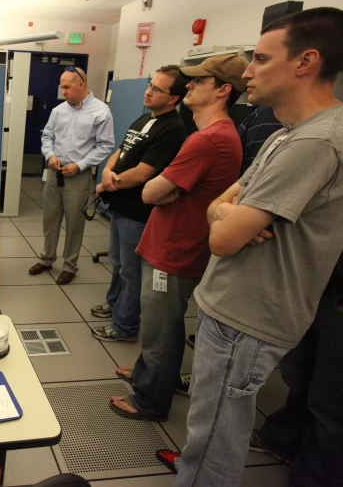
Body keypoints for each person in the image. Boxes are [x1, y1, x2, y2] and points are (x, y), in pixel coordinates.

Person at [173, 7, 343, 486]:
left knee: (211, 445)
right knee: (207, 432)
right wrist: (228, 216)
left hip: (246, 319)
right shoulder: (284, 134)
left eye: (261, 59)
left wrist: (228, 220)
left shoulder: (316, 142)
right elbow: (221, 205)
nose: (247, 71)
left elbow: (223, 239)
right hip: (230, 308)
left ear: (305, 61)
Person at [105, 54, 246, 421]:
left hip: (175, 250)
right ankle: (145, 373)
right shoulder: (213, 135)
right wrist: (171, 189)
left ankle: (151, 400)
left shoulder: (209, 140)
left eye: (199, 81)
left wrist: (168, 189)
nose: (190, 86)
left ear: (223, 90)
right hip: (172, 242)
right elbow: (168, 189)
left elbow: (152, 193)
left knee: (161, 330)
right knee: (156, 325)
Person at [89, 66, 188, 342]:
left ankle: (125, 326)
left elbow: (145, 173)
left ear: (173, 98)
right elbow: (121, 151)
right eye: (150, 84)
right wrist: (107, 172)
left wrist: (109, 182)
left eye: (157, 89)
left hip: (138, 212)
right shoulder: (146, 118)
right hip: (121, 206)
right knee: (119, 263)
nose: (148, 91)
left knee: (132, 272)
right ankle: (114, 304)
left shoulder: (172, 129)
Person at [249, 252, 343, 487]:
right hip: (317, 281)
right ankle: (283, 439)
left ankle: (313, 477)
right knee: (299, 374)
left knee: (331, 403)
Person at [28, 66, 114, 284]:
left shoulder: (100, 111)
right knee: (50, 219)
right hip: (55, 172)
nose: (63, 91)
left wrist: (80, 164)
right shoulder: (59, 111)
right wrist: (50, 156)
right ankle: (47, 259)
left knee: (75, 223)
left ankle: (70, 266)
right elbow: (47, 137)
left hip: (78, 175)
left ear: (81, 84)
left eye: (67, 87)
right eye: (61, 87)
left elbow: (105, 146)